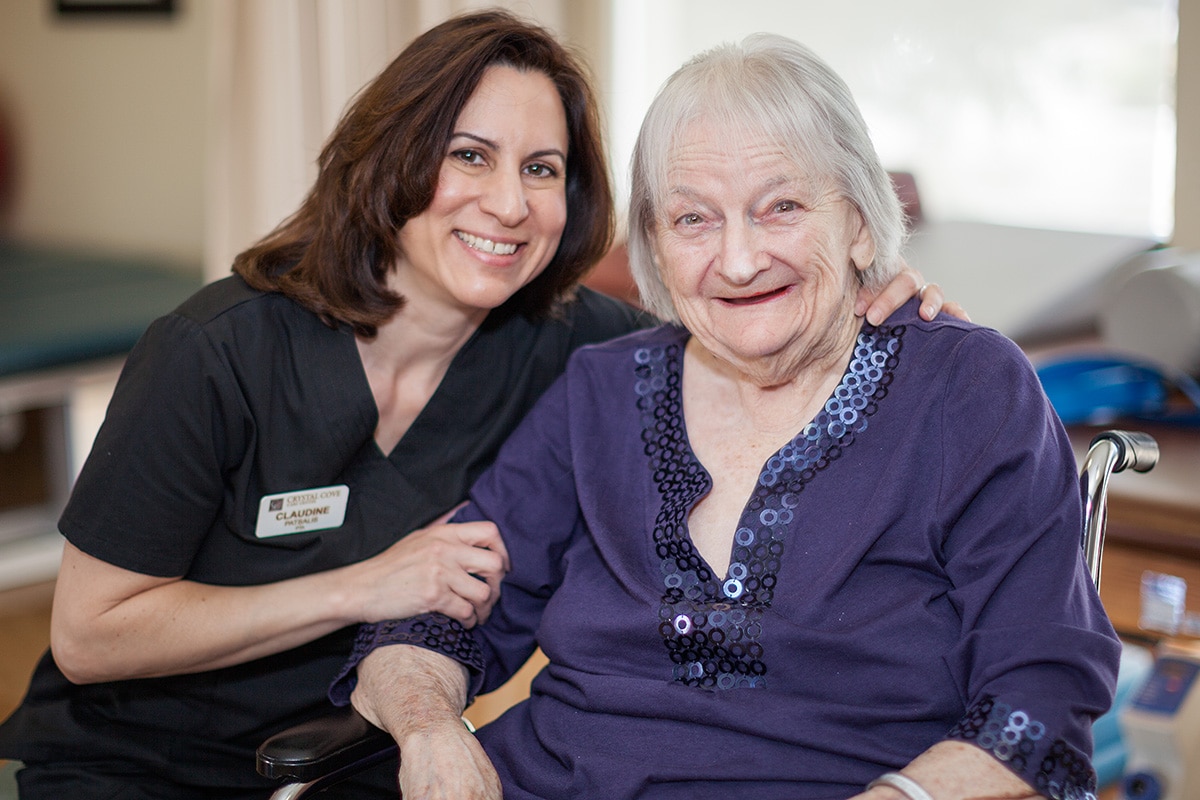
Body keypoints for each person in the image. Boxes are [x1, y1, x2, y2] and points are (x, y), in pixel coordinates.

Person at [0, 11, 948, 800]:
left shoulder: (568, 346)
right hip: (131, 767)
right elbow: (89, 635)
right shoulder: (218, 352)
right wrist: (363, 586)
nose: (508, 204)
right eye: (470, 156)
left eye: (541, 169)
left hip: (368, 760)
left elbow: (740, 317)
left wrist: (875, 290)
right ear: (393, 159)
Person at [334, 32, 1121, 800]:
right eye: (694, 220)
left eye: (781, 207)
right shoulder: (601, 389)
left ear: (857, 222)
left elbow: (1042, 696)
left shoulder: (964, 388)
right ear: (654, 246)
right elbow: (431, 618)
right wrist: (431, 730)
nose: (740, 262)